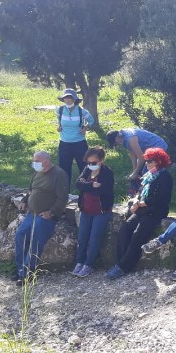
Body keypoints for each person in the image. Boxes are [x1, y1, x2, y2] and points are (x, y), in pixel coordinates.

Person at [106, 148, 173, 279]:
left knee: (138, 235)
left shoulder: (165, 177)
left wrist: (140, 204)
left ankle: (124, 266)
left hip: (155, 212)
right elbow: (140, 192)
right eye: (146, 161)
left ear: (159, 161)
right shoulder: (148, 175)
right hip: (142, 209)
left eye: (150, 161)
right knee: (125, 228)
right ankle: (120, 262)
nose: (147, 163)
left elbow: (160, 198)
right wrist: (136, 200)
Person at [13, 151, 69, 286]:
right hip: (31, 213)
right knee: (20, 235)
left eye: (37, 161)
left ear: (47, 161)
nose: (35, 164)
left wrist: (52, 212)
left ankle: (28, 273)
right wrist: (25, 200)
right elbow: (32, 190)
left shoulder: (59, 174)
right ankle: (20, 269)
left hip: (45, 216)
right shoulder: (37, 172)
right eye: (34, 161)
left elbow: (63, 197)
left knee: (35, 241)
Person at [72, 146, 115, 278]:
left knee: (94, 238)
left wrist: (86, 186)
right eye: (89, 162)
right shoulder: (86, 169)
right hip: (86, 209)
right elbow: (77, 184)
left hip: (101, 211)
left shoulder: (107, 173)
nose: (91, 165)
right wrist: (90, 185)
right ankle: (79, 262)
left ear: (101, 161)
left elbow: (103, 191)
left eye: (94, 163)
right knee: (82, 237)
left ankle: (88, 264)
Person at [105, 128, 168, 195]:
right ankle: (135, 191)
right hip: (147, 150)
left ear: (117, 138)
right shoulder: (123, 140)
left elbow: (141, 158)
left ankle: (146, 192)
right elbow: (133, 155)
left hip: (158, 147)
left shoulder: (131, 138)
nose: (115, 144)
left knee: (145, 172)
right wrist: (134, 172)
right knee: (137, 172)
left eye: (114, 142)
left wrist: (135, 173)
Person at [55, 88, 94, 185]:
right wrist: (59, 126)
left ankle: (85, 188)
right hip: (64, 143)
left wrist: (85, 128)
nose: (67, 100)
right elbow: (59, 121)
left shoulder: (82, 111)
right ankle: (64, 191)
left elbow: (92, 121)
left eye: (70, 98)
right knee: (64, 169)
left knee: (84, 167)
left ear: (74, 99)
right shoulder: (59, 110)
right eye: (65, 98)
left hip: (79, 143)